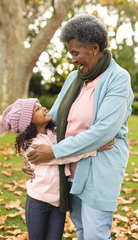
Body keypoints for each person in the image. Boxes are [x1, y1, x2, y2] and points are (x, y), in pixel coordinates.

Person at [26, 14, 134, 240]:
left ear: (95, 48)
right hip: (69, 168)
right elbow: (51, 121)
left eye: (76, 53)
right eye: (71, 53)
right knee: (82, 230)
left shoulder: (117, 78)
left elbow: (104, 131)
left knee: (95, 233)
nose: (73, 59)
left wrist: (54, 152)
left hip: (99, 169)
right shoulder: (74, 79)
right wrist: (32, 157)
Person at [0, 98, 113, 240]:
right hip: (38, 201)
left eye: (40, 106)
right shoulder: (30, 144)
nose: (44, 108)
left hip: (58, 202)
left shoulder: (53, 134)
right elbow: (62, 156)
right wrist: (93, 148)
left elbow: (70, 146)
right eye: (37, 109)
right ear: (28, 122)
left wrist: (89, 141)